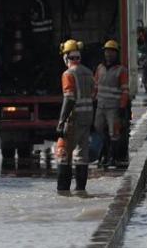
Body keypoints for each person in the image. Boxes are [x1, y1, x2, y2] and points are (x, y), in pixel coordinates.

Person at [55, 39, 95, 193]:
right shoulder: (88, 72)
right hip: (87, 117)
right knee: (81, 155)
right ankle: (80, 190)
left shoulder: (68, 74)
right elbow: (94, 94)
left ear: (66, 57)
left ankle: (63, 191)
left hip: (74, 119)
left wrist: (61, 121)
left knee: (63, 154)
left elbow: (69, 98)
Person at [93, 40, 131, 168]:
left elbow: (125, 90)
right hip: (100, 106)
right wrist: (94, 100)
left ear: (116, 53)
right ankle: (104, 154)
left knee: (114, 133)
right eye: (107, 52)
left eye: (111, 52)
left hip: (114, 107)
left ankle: (114, 157)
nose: (108, 54)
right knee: (99, 128)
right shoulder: (100, 68)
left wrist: (122, 106)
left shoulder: (121, 70)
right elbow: (95, 86)